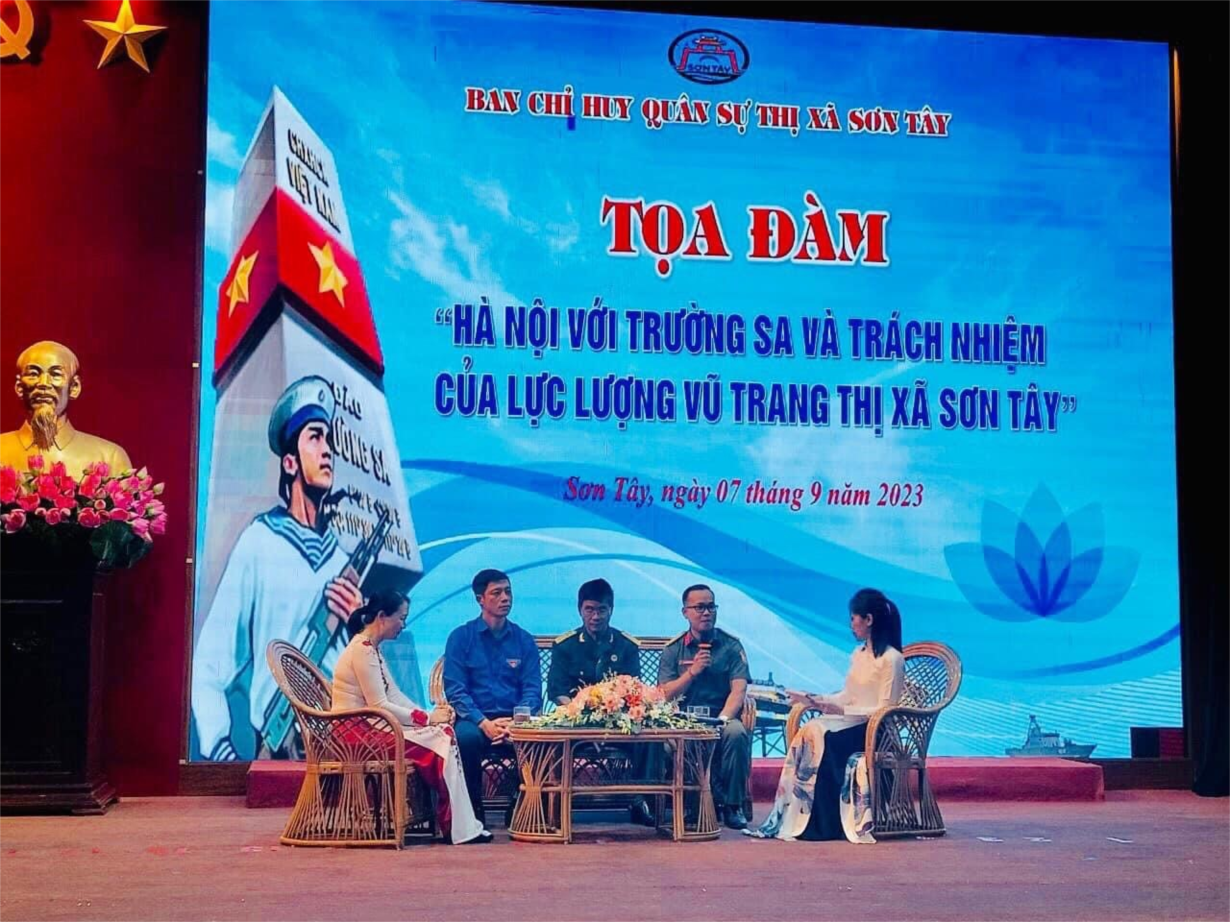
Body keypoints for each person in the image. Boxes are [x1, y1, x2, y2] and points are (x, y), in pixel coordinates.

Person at [191, 376, 364, 761]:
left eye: (329, 440)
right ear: (289, 462)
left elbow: (366, 672)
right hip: (279, 747)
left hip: (344, 742)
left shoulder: (341, 560)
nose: (327, 450)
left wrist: (361, 625)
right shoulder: (259, 542)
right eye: (315, 437)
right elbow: (210, 663)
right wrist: (220, 752)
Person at [331, 590, 491, 844]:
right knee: (441, 739)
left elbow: (394, 695)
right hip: (357, 735)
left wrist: (430, 716)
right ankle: (458, 827)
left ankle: (462, 824)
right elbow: (380, 705)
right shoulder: (362, 650)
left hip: (372, 726)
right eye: (401, 618)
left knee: (443, 734)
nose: (403, 625)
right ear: (382, 617)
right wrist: (427, 720)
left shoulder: (371, 649)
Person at [745, 588, 905, 842]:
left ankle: (827, 823)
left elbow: (886, 709)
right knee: (811, 730)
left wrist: (842, 710)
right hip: (852, 722)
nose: (851, 625)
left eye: (853, 618)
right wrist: (818, 700)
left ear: (868, 620)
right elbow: (848, 695)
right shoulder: (859, 655)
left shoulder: (892, 659)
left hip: (875, 731)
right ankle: (800, 819)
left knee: (828, 739)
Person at [547, 578, 655, 827]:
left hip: (619, 723)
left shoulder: (626, 645)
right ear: (580, 610)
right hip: (575, 722)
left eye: (602, 610)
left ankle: (641, 801)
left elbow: (632, 690)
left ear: (611, 610)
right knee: (554, 737)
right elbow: (557, 691)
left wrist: (612, 721)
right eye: (589, 609)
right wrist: (583, 720)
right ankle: (557, 805)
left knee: (650, 738)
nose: (595, 616)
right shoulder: (565, 646)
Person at [443, 568, 542, 823]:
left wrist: (516, 722)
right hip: (475, 719)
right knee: (465, 739)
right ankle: (473, 814)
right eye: (496, 593)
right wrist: (483, 723)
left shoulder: (524, 640)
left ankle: (520, 806)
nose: (505, 598)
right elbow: (455, 690)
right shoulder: (460, 638)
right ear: (480, 599)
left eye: (508, 592)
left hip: (514, 718)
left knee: (537, 739)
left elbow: (532, 690)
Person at [657, 584, 752, 830]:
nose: (706, 612)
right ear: (685, 612)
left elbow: (739, 690)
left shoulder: (731, 646)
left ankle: (733, 805)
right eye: (699, 607)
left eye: (711, 607)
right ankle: (692, 806)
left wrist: (722, 720)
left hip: (721, 717)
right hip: (683, 720)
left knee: (736, 733)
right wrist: (692, 672)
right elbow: (664, 694)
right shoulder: (673, 649)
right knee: (675, 741)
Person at [0, 340, 132, 475]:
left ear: (74, 387)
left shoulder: (109, 458)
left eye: (56, 374)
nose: (44, 383)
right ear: (19, 387)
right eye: (33, 374)